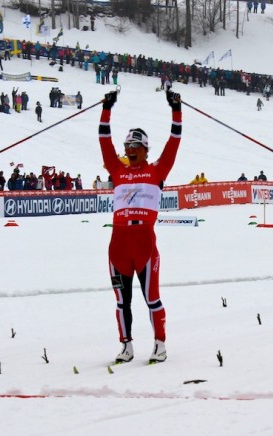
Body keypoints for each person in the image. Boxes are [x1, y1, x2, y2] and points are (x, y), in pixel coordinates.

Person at [98, 87, 182, 364]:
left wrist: (176, 109)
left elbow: (174, 142)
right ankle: (126, 345)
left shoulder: (157, 169)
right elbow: (104, 142)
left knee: (152, 298)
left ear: (145, 149)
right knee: (122, 301)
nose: (129, 151)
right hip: (118, 243)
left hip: (144, 241)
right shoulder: (117, 170)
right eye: (127, 147)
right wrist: (106, 109)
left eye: (135, 147)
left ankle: (160, 344)